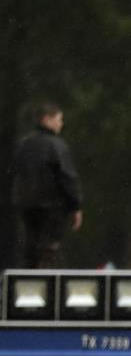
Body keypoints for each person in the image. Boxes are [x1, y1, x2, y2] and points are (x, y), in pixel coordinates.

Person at [10, 101, 83, 268]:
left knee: (30, 245)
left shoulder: (23, 144)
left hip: (26, 204)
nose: (61, 124)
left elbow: (13, 172)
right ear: (47, 119)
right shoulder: (56, 145)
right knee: (49, 247)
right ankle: (46, 278)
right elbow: (67, 177)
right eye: (59, 119)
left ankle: (28, 277)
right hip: (51, 206)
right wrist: (75, 205)